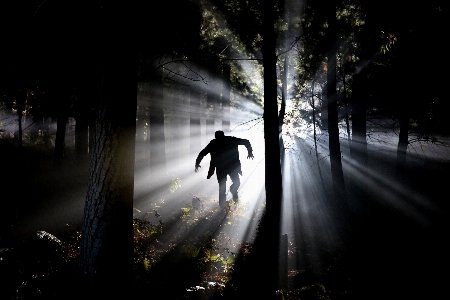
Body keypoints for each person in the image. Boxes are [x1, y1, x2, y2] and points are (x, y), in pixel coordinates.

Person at [195, 130, 254, 208]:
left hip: (225, 167)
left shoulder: (216, 142)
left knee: (225, 185)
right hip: (229, 167)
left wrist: (197, 163)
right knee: (230, 184)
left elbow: (202, 153)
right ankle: (227, 203)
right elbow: (246, 142)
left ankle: (226, 204)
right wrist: (250, 152)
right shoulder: (229, 140)